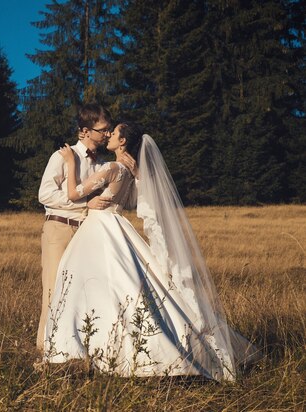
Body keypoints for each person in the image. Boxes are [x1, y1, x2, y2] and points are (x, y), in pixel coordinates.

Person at [43, 122, 258, 381]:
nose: (109, 134)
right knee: (120, 286)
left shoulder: (112, 167)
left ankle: (83, 348)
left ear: (123, 142)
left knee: (90, 285)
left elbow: (73, 192)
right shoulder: (130, 170)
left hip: (100, 226)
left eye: (115, 132)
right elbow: (133, 201)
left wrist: (70, 163)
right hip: (116, 224)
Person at [36, 103, 137, 352]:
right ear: (84, 131)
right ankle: (45, 349)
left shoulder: (103, 163)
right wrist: (84, 203)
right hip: (60, 229)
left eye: (107, 130)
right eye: (101, 129)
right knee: (53, 289)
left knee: (84, 290)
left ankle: (77, 347)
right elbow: (45, 195)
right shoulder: (62, 156)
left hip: (87, 234)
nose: (106, 134)